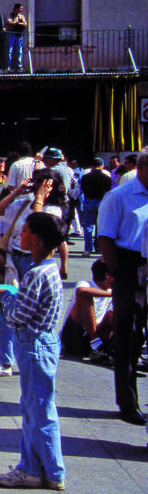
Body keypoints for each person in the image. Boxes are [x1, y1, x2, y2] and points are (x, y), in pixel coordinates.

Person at [0, 212, 67, 490]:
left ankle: (50, 471)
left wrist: (6, 297)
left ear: (35, 239)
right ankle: (34, 468)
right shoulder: (50, 269)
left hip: (34, 345)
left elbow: (19, 315)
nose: (20, 235)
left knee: (39, 411)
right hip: (44, 343)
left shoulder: (35, 274)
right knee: (35, 408)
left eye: (24, 231)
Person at [97, 152, 148, 425]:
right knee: (129, 334)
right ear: (141, 168)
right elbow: (105, 238)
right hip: (130, 264)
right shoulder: (119, 196)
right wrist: (117, 273)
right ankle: (128, 401)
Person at [59, 258, 113, 362]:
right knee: (85, 297)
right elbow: (81, 291)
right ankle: (95, 342)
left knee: (113, 313)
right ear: (107, 275)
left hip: (97, 333)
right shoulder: (85, 284)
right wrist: (112, 294)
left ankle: (119, 348)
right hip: (75, 337)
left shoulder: (112, 290)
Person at [79, 158, 112, 256]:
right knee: (100, 225)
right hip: (102, 201)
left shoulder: (85, 177)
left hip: (89, 200)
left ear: (92, 166)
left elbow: (82, 189)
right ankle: (99, 247)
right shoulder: (107, 178)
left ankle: (88, 249)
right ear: (101, 166)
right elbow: (109, 191)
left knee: (88, 226)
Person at [6, 3, 28, 71]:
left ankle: (19, 66)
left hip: (19, 35)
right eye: (20, 8)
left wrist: (18, 24)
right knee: (10, 50)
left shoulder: (21, 16)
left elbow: (25, 24)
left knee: (19, 51)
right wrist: (18, 24)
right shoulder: (10, 15)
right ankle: (8, 66)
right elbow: (9, 22)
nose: (21, 10)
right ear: (16, 8)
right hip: (12, 34)